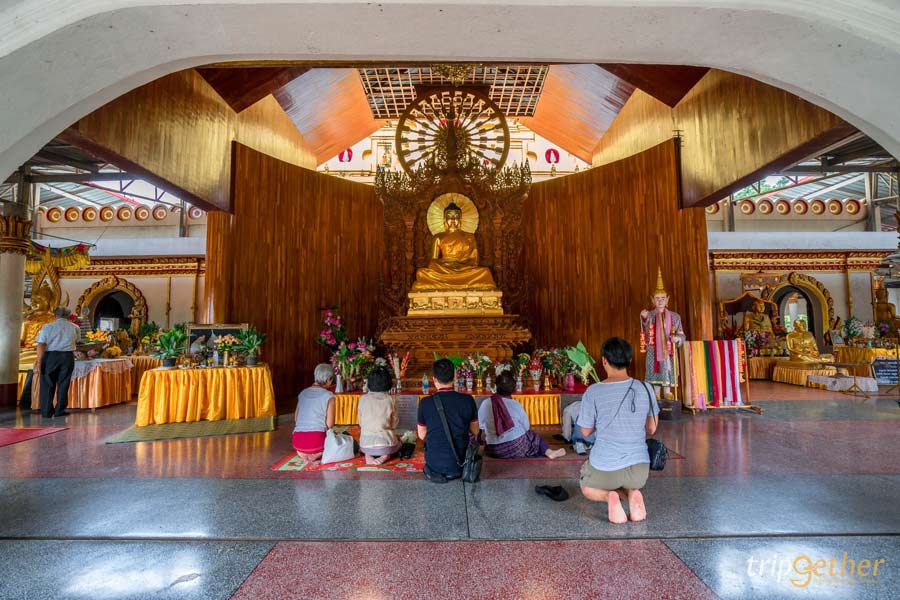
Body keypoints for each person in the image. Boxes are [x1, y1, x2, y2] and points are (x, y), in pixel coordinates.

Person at [578, 337, 660, 524]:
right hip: (639, 470)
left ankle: (611, 498)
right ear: (629, 361)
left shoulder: (593, 391)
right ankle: (633, 492)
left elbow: (585, 432)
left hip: (604, 467)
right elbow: (652, 429)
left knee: (586, 487)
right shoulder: (646, 388)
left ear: (604, 360)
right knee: (631, 481)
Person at [417, 358, 479, 482]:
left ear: (434, 379)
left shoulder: (425, 403)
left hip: (434, 464)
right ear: (454, 377)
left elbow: (422, 435)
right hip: (461, 464)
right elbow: (475, 431)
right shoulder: (467, 400)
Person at [479, 371, 566, 459]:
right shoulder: (515, 404)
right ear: (513, 388)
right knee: (532, 435)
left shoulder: (485, 403)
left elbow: (481, 425)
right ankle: (548, 452)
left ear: (496, 387)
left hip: (494, 450)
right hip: (517, 448)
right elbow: (526, 427)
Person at [639, 268, 685, 399]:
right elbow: (645, 329)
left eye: (663, 298)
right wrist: (644, 317)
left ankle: (667, 392)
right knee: (655, 369)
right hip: (653, 349)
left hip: (669, 349)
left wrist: (677, 338)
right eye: (657, 298)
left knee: (668, 369)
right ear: (652, 300)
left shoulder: (675, 317)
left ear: (667, 299)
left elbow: (682, 334)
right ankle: (656, 393)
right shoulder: (650, 314)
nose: (660, 301)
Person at [33, 306, 80, 418]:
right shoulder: (75, 327)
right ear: (69, 316)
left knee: (48, 384)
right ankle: (60, 410)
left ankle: (46, 411)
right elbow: (77, 341)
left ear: (55, 315)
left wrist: (38, 362)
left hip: (50, 356)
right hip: (67, 357)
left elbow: (41, 344)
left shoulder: (48, 327)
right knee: (64, 384)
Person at [292, 363, 336, 465]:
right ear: (328, 379)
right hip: (317, 443)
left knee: (304, 446)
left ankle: (304, 453)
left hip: (298, 443)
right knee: (343, 440)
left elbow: (296, 418)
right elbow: (329, 424)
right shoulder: (329, 396)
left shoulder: (302, 393)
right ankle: (316, 453)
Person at [357, 365, 401, 465]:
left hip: (365, 444)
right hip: (386, 443)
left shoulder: (362, 399)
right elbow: (394, 423)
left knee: (366, 443)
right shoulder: (390, 399)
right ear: (388, 382)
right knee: (399, 442)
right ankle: (385, 455)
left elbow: (360, 422)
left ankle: (368, 454)